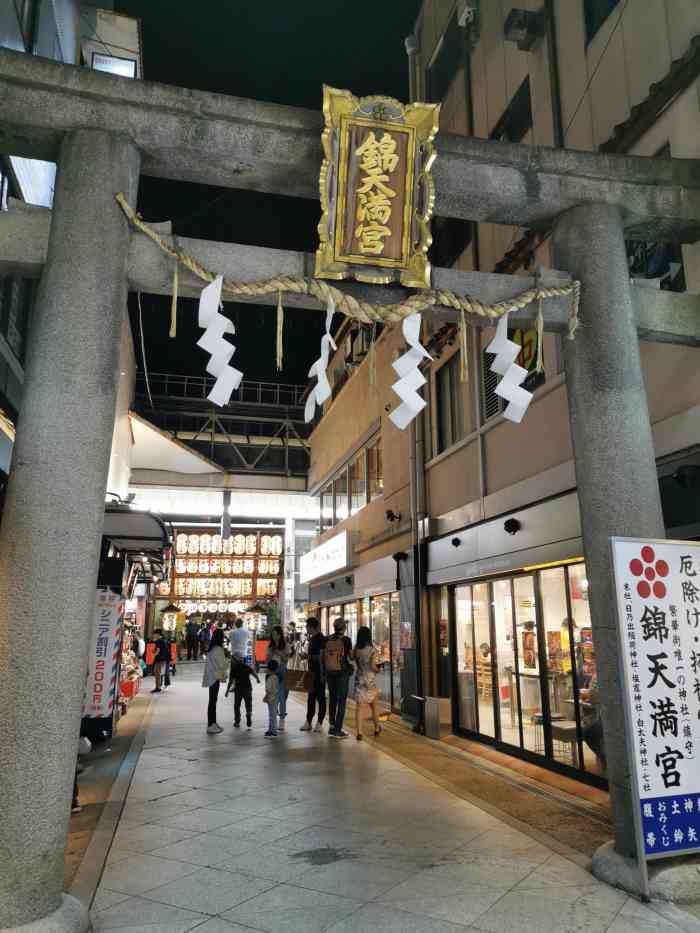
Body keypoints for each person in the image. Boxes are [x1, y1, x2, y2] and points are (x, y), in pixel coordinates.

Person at [323, 619, 353, 739]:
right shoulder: (346, 640)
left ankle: (331, 726)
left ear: (334, 627)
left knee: (332, 698)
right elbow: (351, 656)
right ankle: (338, 730)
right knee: (342, 700)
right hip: (342, 672)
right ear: (344, 628)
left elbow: (323, 656)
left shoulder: (327, 639)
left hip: (329, 672)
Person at [352, 626, 382, 741]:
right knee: (374, 705)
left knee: (359, 707)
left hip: (359, 680)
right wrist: (378, 670)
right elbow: (373, 667)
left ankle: (359, 732)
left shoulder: (356, 649)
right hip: (370, 681)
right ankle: (377, 728)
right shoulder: (372, 650)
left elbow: (351, 658)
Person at [300, 617, 326, 733]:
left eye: (307, 626)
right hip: (312, 673)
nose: (306, 628)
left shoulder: (320, 639)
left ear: (311, 627)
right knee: (311, 698)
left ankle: (319, 723)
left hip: (319, 673)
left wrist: (307, 656)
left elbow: (321, 657)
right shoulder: (312, 639)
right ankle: (309, 722)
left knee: (320, 698)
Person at [202, 628, 227, 734]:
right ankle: (211, 724)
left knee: (212, 701)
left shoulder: (212, 649)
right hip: (214, 678)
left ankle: (213, 723)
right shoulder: (218, 649)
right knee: (213, 702)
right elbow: (222, 665)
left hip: (212, 677)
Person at [267, 626, 291, 731]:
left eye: (276, 634)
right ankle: (274, 720)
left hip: (282, 672)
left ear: (280, 635)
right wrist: (269, 657)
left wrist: (279, 653)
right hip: (272, 673)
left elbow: (286, 659)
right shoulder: (270, 646)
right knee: (273, 698)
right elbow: (266, 660)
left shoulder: (285, 645)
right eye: (272, 634)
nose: (274, 636)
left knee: (282, 698)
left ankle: (282, 720)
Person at [226, 656, 260, 729]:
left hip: (238, 689)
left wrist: (227, 691)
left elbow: (230, 681)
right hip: (247, 688)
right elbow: (254, 673)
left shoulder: (234, 668)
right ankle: (248, 714)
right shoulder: (247, 667)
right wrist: (257, 679)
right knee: (248, 704)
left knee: (237, 706)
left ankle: (237, 721)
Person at [264, 659, 280, 737]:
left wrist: (266, 697)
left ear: (268, 668)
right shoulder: (276, 677)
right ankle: (271, 730)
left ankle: (273, 731)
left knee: (272, 715)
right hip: (275, 697)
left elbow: (268, 689)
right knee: (273, 715)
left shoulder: (269, 678)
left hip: (271, 698)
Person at [151, 628, 169, 693]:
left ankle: (157, 687)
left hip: (159, 659)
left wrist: (154, 655)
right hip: (163, 659)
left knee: (157, 673)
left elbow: (158, 650)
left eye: (154, 634)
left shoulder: (158, 641)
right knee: (158, 672)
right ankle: (158, 686)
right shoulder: (164, 640)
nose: (154, 635)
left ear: (158, 634)